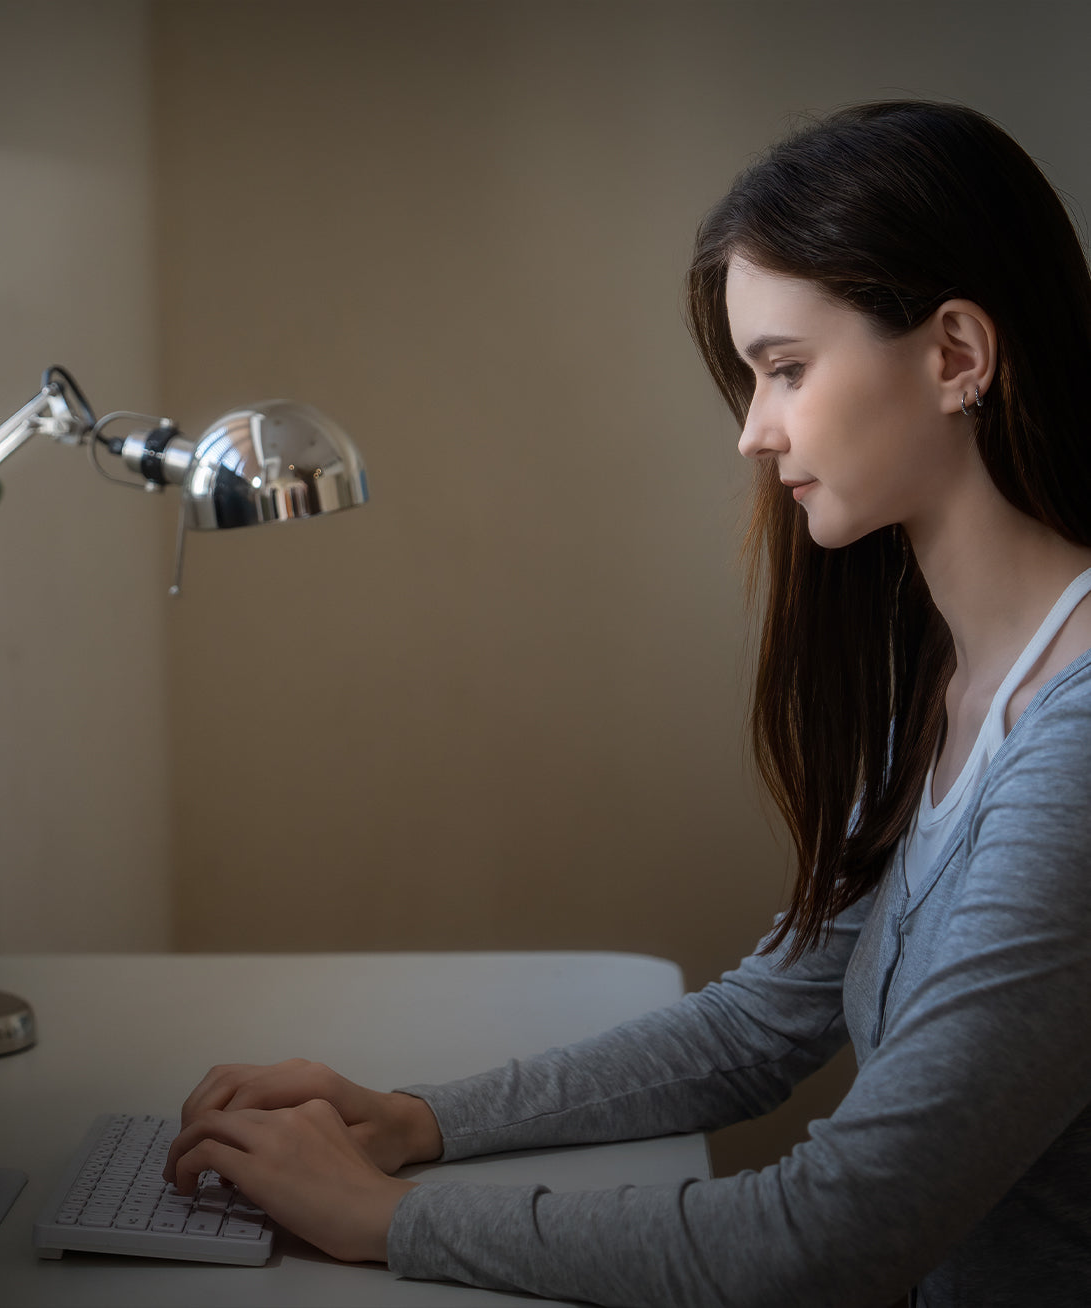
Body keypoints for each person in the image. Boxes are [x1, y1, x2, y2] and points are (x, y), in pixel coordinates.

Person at [161, 101, 1091, 1307]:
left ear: (958, 355)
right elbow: (760, 1028)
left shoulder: (1072, 752)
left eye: (787, 370)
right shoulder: (952, 681)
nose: (756, 433)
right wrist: (408, 1121)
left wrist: (387, 1221)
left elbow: (831, 1237)